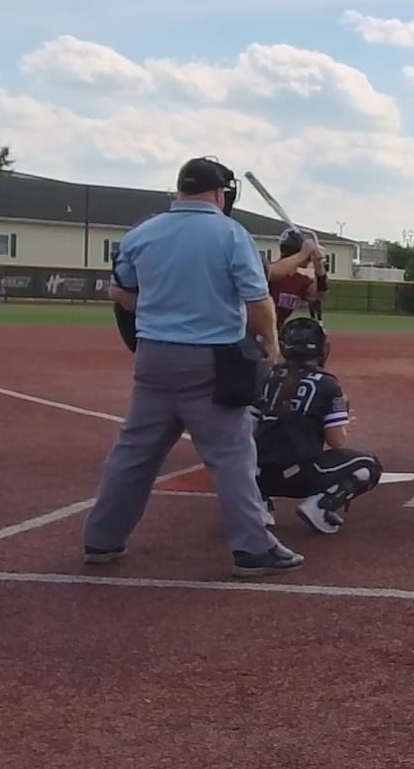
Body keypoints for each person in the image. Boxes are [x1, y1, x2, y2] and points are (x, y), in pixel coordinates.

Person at [80, 156, 305, 579]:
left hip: (153, 356)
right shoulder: (230, 234)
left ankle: (101, 538)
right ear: (220, 193)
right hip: (212, 358)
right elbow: (258, 300)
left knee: (134, 452)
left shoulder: (142, 232)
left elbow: (120, 292)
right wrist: (272, 346)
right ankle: (253, 547)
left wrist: (161, 309)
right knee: (233, 454)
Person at [254, 316, 384, 533]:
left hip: (255, 474)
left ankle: (259, 503)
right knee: (369, 465)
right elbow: (337, 442)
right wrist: (343, 425)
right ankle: (321, 506)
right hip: (300, 476)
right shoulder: (327, 383)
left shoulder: (266, 377)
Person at [267, 229, 325, 329]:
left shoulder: (299, 280)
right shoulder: (270, 271)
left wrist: (319, 266)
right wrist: (304, 253)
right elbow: (272, 273)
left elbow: (320, 295)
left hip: (274, 332)